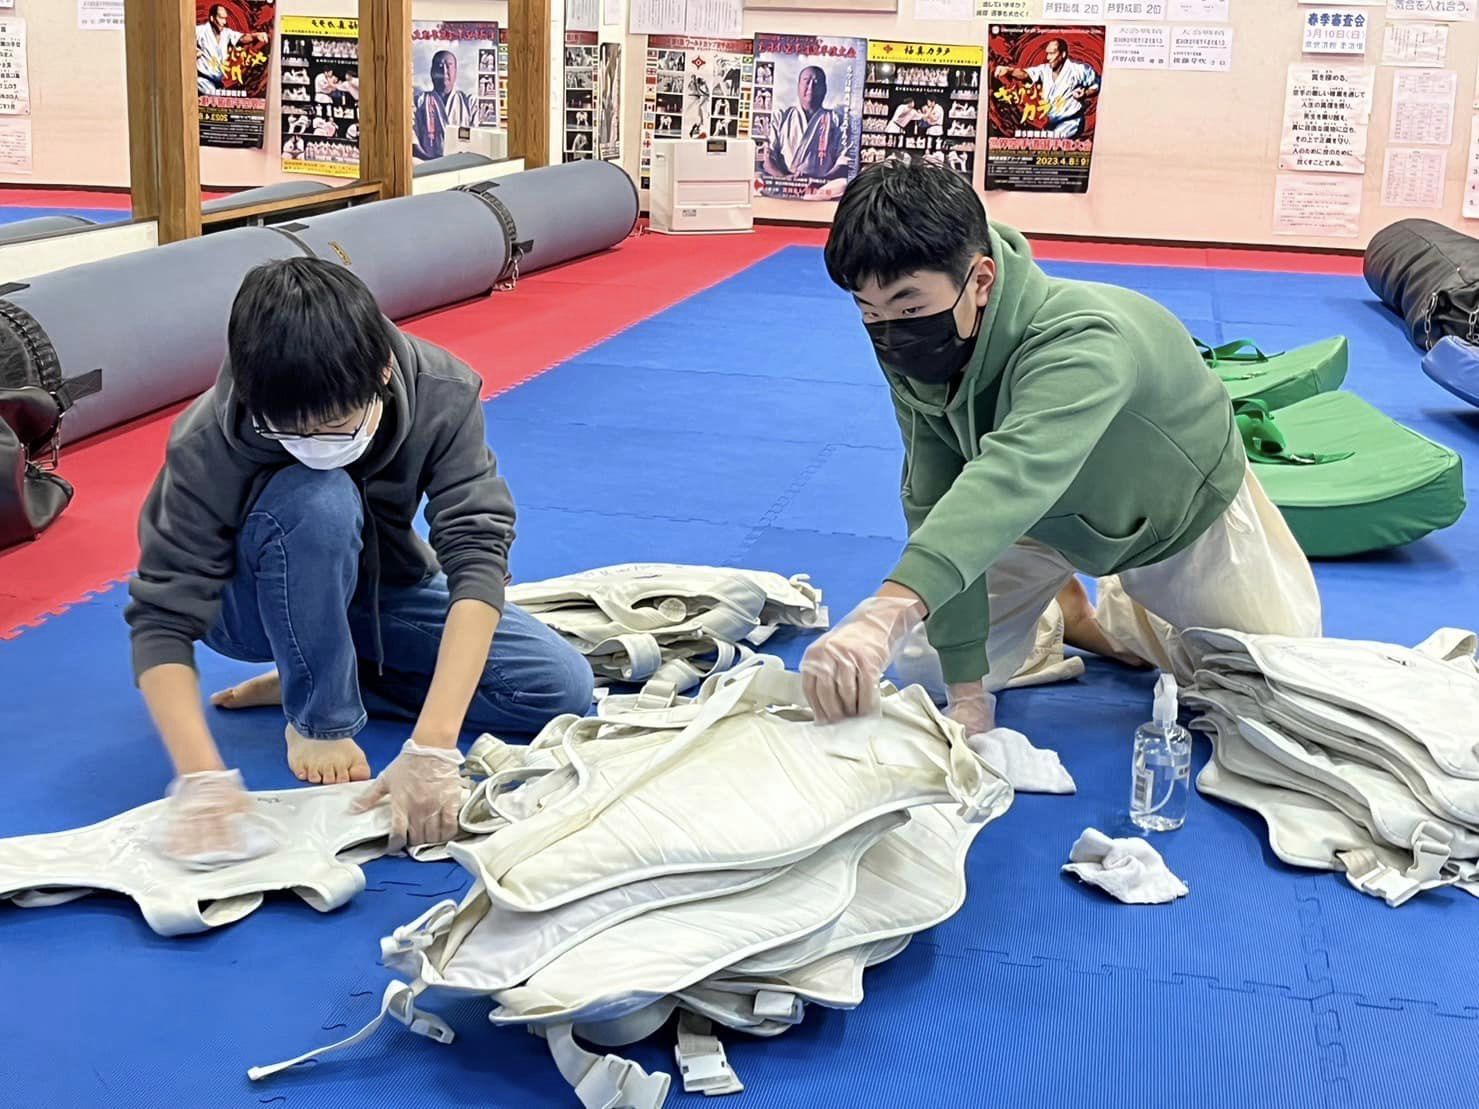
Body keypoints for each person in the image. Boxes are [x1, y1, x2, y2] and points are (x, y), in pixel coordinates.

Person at [801, 163, 1320, 737]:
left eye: (909, 307)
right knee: (929, 669)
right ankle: (1060, 613)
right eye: (869, 312)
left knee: (1270, 691)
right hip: (1031, 515)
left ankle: (1117, 611)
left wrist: (890, 608)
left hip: (1175, 514)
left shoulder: (1082, 342)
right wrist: (968, 693)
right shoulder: (918, 345)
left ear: (980, 280)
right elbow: (935, 498)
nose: (890, 332)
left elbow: (1013, 474)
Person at [127, 259, 593, 863]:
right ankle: (319, 711)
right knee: (318, 496)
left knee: (557, 688)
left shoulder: (442, 391)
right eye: (288, 431)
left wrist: (433, 746)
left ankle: (339, 672)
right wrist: (201, 777)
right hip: (247, 606)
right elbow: (161, 616)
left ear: (381, 374)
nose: (314, 443)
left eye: (333, 426)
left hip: (378, 589)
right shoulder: (207, 436)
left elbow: (476, 552)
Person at [763, 65, 852, 190]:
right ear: (798, 86)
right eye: (806, 81)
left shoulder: (837, 119)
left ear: (825, 89)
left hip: (823, 187)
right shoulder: (782, 116)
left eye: (817, 82)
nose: (811, 87)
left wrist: (819, 181)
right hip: (784, 184)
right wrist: (784, 178)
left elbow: (844, 161)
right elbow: (768, 159)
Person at [994, 37, 1099, 139]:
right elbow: (1026, 74)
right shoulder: (1045, 70)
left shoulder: (1079, 70)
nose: (1048, 57)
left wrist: (1085, 93)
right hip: (1051, 123)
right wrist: (1009, 71)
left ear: (1063, 54)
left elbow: (1097, 84)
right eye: (1047, 53)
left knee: (1054, 143)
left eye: (1052, 53)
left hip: (1071, 122)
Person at [413, 50, 476, 161]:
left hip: (464, 166)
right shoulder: (419, 102)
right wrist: (431, 162)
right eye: (439, 66)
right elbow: (412, 141)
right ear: (432, 72)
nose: (444, 70)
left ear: (456, 71)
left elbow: (479, 140)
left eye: (448, 65)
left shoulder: (469, 102)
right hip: (428, 165)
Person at [196, 3, 268, 94]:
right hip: (202, 80)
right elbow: (184, 40)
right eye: (221, 18)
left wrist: (255, 36)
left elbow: (242, 38)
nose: (224, 22)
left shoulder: (226, 33)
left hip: (218, 81)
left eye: (225, 18)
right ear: (212, 18)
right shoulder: (200, 31)